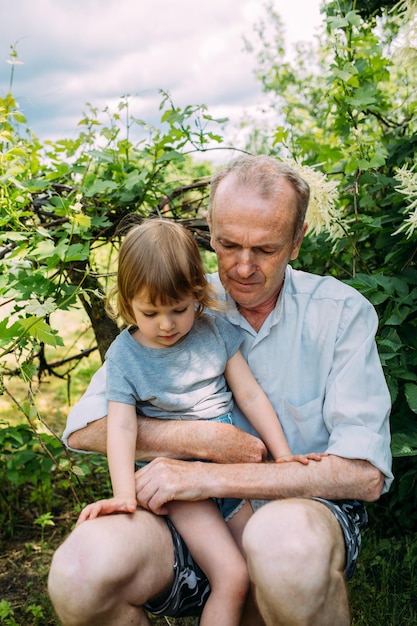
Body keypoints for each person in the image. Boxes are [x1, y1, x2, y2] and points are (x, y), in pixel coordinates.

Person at [48, 155, 393, 626]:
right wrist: (198, 441)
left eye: (266, 250)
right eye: (228, 245)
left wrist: (208, 476)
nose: (244, 268)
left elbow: (364, 474)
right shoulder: (177, 302)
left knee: (281, 541)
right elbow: (84, 429)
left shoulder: (339, 314)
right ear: (209, 229)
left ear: (297, 242)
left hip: (304, 515)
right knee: (79, 573)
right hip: (193, 519)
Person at [76, 218, 316, 626]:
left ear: (197, 295)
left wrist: (285, 455)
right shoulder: (125, 356)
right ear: (126, 302)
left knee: (261, 572)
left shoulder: (212, 330)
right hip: (180, 483)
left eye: (179, 309)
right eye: (150, 312)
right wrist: (123, 494)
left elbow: (250, 394)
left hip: (228, 476)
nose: (166, 325)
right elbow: (121, 428)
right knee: (232, 576)